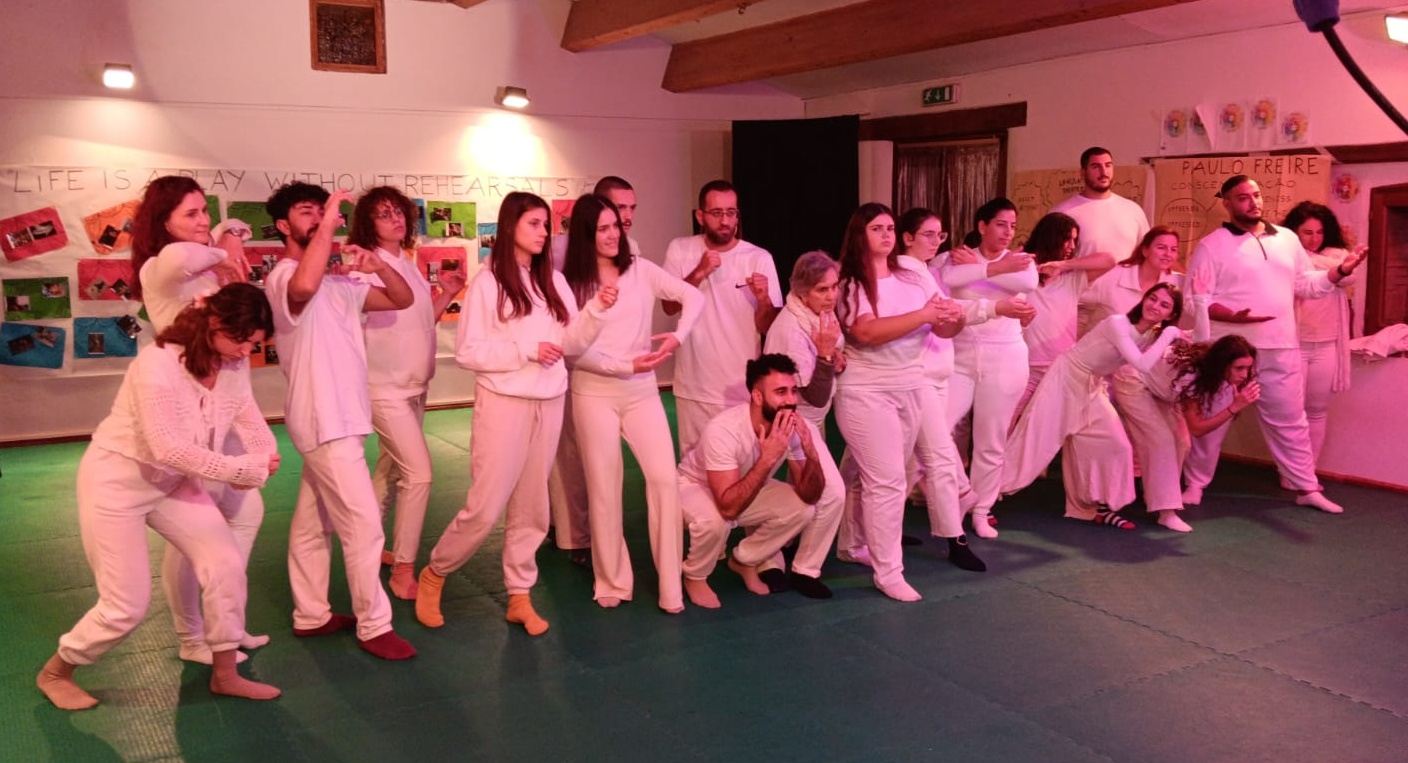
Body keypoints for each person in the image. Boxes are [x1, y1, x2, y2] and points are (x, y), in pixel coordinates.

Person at [37, 283, 282, 710]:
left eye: (254, 343)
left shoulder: (233, 363)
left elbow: (247, 415)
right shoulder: (158, 363)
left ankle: (226, 674)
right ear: (213, 322)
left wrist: (263, 456)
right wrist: (240, 469)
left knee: (225, 565)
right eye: (240, 340)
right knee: (126, 606)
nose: (246, 352)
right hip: (116, 482)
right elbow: (167, 447)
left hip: (172, 484)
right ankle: (56, 671)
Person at [416, 192, 616, 635]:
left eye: (547, 224)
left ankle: (519, 595)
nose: (544, 233)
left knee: (533, 507)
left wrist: (597, 310)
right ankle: (436, 572)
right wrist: (526, 350)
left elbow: (571, 343)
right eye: (534, 224)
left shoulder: (554, 282)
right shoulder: (489, 284)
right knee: (485, 507)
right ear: (509, 227)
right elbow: (469, 351)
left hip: (550, 400)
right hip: (504, 403)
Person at [263, 182, 417, 660]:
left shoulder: (341, 284)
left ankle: (311, 614)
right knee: (364, 525)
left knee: (314, 523)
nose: (317, 218)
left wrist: (378, 267)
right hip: (323, 420)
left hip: (343, 417)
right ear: (283, 226)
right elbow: (303, 287)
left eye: (321, 211)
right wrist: (331, 222)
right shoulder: (282, 278)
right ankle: (375, 624)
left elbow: (402, 299)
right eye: (306, 212)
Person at [130, 175, 267, 665]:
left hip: (223, 403)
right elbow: (183, 257)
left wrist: (230, 238)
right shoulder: (160, 267)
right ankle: (192, 638)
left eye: (204, 211)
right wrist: (224, 244)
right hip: (187, 413)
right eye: (190, 214)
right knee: (196, 534)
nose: (202, 221)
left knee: (246, 514)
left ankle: (225, 623)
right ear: (163, 222)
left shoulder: (205, 268)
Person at [1184, 175, 1365, 513]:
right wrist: (1233, 316)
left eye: (1255, 195)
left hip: (1281, 346)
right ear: (1227, 203)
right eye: (1242, 197)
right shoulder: (1212, 245)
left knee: (1291, 421)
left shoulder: (1287, 239)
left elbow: (1305, 284)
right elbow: (1192, 301)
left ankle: (1306, 487)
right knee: (1213, 417)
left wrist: (1339, 272)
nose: (1252, 202)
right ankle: (1195, 484)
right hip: (1228, 351)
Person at [561, 193, 701, 612]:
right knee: (605, 486)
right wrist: (625, 364)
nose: (613, 234)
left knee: (664, 480)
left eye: (615, 226)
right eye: (601, 228)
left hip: (642, 391)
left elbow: (694, 298)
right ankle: (611, 580)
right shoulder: (572, 284)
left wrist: (677, 336)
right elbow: (573, 350)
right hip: (593, 393)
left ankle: (671, 585)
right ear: (585, 234)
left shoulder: (640, 269)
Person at [834, 203, 966, 601]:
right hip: (866, 389)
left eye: (890, 228)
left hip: (910, 383)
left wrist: (952, 316)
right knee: (887, 482)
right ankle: (889, 572)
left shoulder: (912, 275)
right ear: (860, 234)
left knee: (880, 479)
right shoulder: (850, 283)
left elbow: (944, 328)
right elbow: (866, 333)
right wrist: (925, 314)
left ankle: (852, 545)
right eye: (877, 228)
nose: (887, 235)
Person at [344, 186, 465, 600]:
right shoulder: (364, 268)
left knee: (390, 469)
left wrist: (447, 294)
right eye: (384, 214)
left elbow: (421, 323)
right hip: (385, 388)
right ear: (368, 223)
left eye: (399, 212)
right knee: (419, 474)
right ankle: (404, 569)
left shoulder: (407, 264)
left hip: (415, 386)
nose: (396, 219)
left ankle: (369, 543)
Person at [1003, 283, 1185, 529]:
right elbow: (1141, 364)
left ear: (1171, 314)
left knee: (1116, 444)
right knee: (1034, 444)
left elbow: (1201, 338)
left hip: (1092, 386)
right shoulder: (1118, 323)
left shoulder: (1151, 334)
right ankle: (981, 499)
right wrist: (1169, 333)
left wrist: (1202, 302)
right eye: (1153, 298)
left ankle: (1094, 506)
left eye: (1164, 305)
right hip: (1067, 379)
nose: (1155, 306)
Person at [678, 354, 837, 607]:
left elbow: (810, 495)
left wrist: (812, 454)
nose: (791, 400)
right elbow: (728, 508)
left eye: (793, 391)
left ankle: (745, 560)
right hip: (694, 486)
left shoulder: (791, 426)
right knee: (717, 521)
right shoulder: (724, 430)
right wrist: (767, 459)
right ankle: (695, 575)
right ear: (757, 396)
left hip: (744, 485)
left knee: (802, 508)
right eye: (781, 392)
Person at [547, 176, 643, 563]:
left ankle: (599, 534)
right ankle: (574, 535)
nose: (626, 218)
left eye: (631, 209)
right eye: (619, 209)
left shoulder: (631, 249)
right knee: (569, 454)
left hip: (615, 365)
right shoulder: (558, 249)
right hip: (570, 360)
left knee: (604, 459)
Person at [1082, 227, 1194, 528]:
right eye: (1161, 247)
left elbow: (1186, 328)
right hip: (1115, 374)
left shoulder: (1173, 284)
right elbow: (1080, 301)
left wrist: (1203, 300)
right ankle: (1158, 507)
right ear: (1145, 249)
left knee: (1180, 440)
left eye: (1173, 249)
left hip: (1150, 375)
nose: (1167, 254)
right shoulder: (1116, 278)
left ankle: (1159, 498)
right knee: (1145, 438)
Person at [941, 197, 1038, 537]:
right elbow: (950, 277)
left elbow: (1028, 285)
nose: (1008, 232)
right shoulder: (957, 257)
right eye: (1000, 224)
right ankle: (962, 493)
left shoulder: (1022, 261)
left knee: (991, 440)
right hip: (959, 356)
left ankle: (981, 510)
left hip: (1006, 356)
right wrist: (995, 270)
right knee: (936, 428)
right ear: (982, 226)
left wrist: (983, 270)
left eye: (1012, 226)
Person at [663, 180, 782, 453]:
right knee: (694, 465)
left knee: (743, 461)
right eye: (717, 213)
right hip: (694, 386)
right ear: (700, 216)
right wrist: (699, 272)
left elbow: (768, 327)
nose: (725, 221)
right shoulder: (681, 249)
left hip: (741, 385)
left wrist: (763, 299)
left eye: (731, 213)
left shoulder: (759, 257)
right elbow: (668, 306)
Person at [1013, 212, 1115, 426]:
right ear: (1050, 237)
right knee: (1007, 422)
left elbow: (1109, 260)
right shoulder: (1024, 270)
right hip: (1025, 366)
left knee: (1050, 428)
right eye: (1066, 239)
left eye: (1074, 240)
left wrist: (1063, 266)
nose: (1071, 246)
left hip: (1059, 367)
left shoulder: (1073, 277)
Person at [1282, 201, 1361, 462]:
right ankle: (1290, 471)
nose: (1314, 238)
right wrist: (1334, 269)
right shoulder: (1286, 256)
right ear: (1294, 232)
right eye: (1307, 232)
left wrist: (1340, 267)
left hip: (1327, 343)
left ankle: (1308, 472)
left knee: (1317, 411)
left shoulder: (1339, 256)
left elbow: (1349, 276)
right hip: (1294, 343)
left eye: (1319, 232)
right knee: (1291, 412)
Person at [1050, 146, 1150, 263]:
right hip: (1081, 276)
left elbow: (1148, 254)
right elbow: (1051, 259)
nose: (1104, 172)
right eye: (1096, 167)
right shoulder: (1062, 213)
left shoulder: (1133, 210)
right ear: (1083, 172)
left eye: (1108, 165)